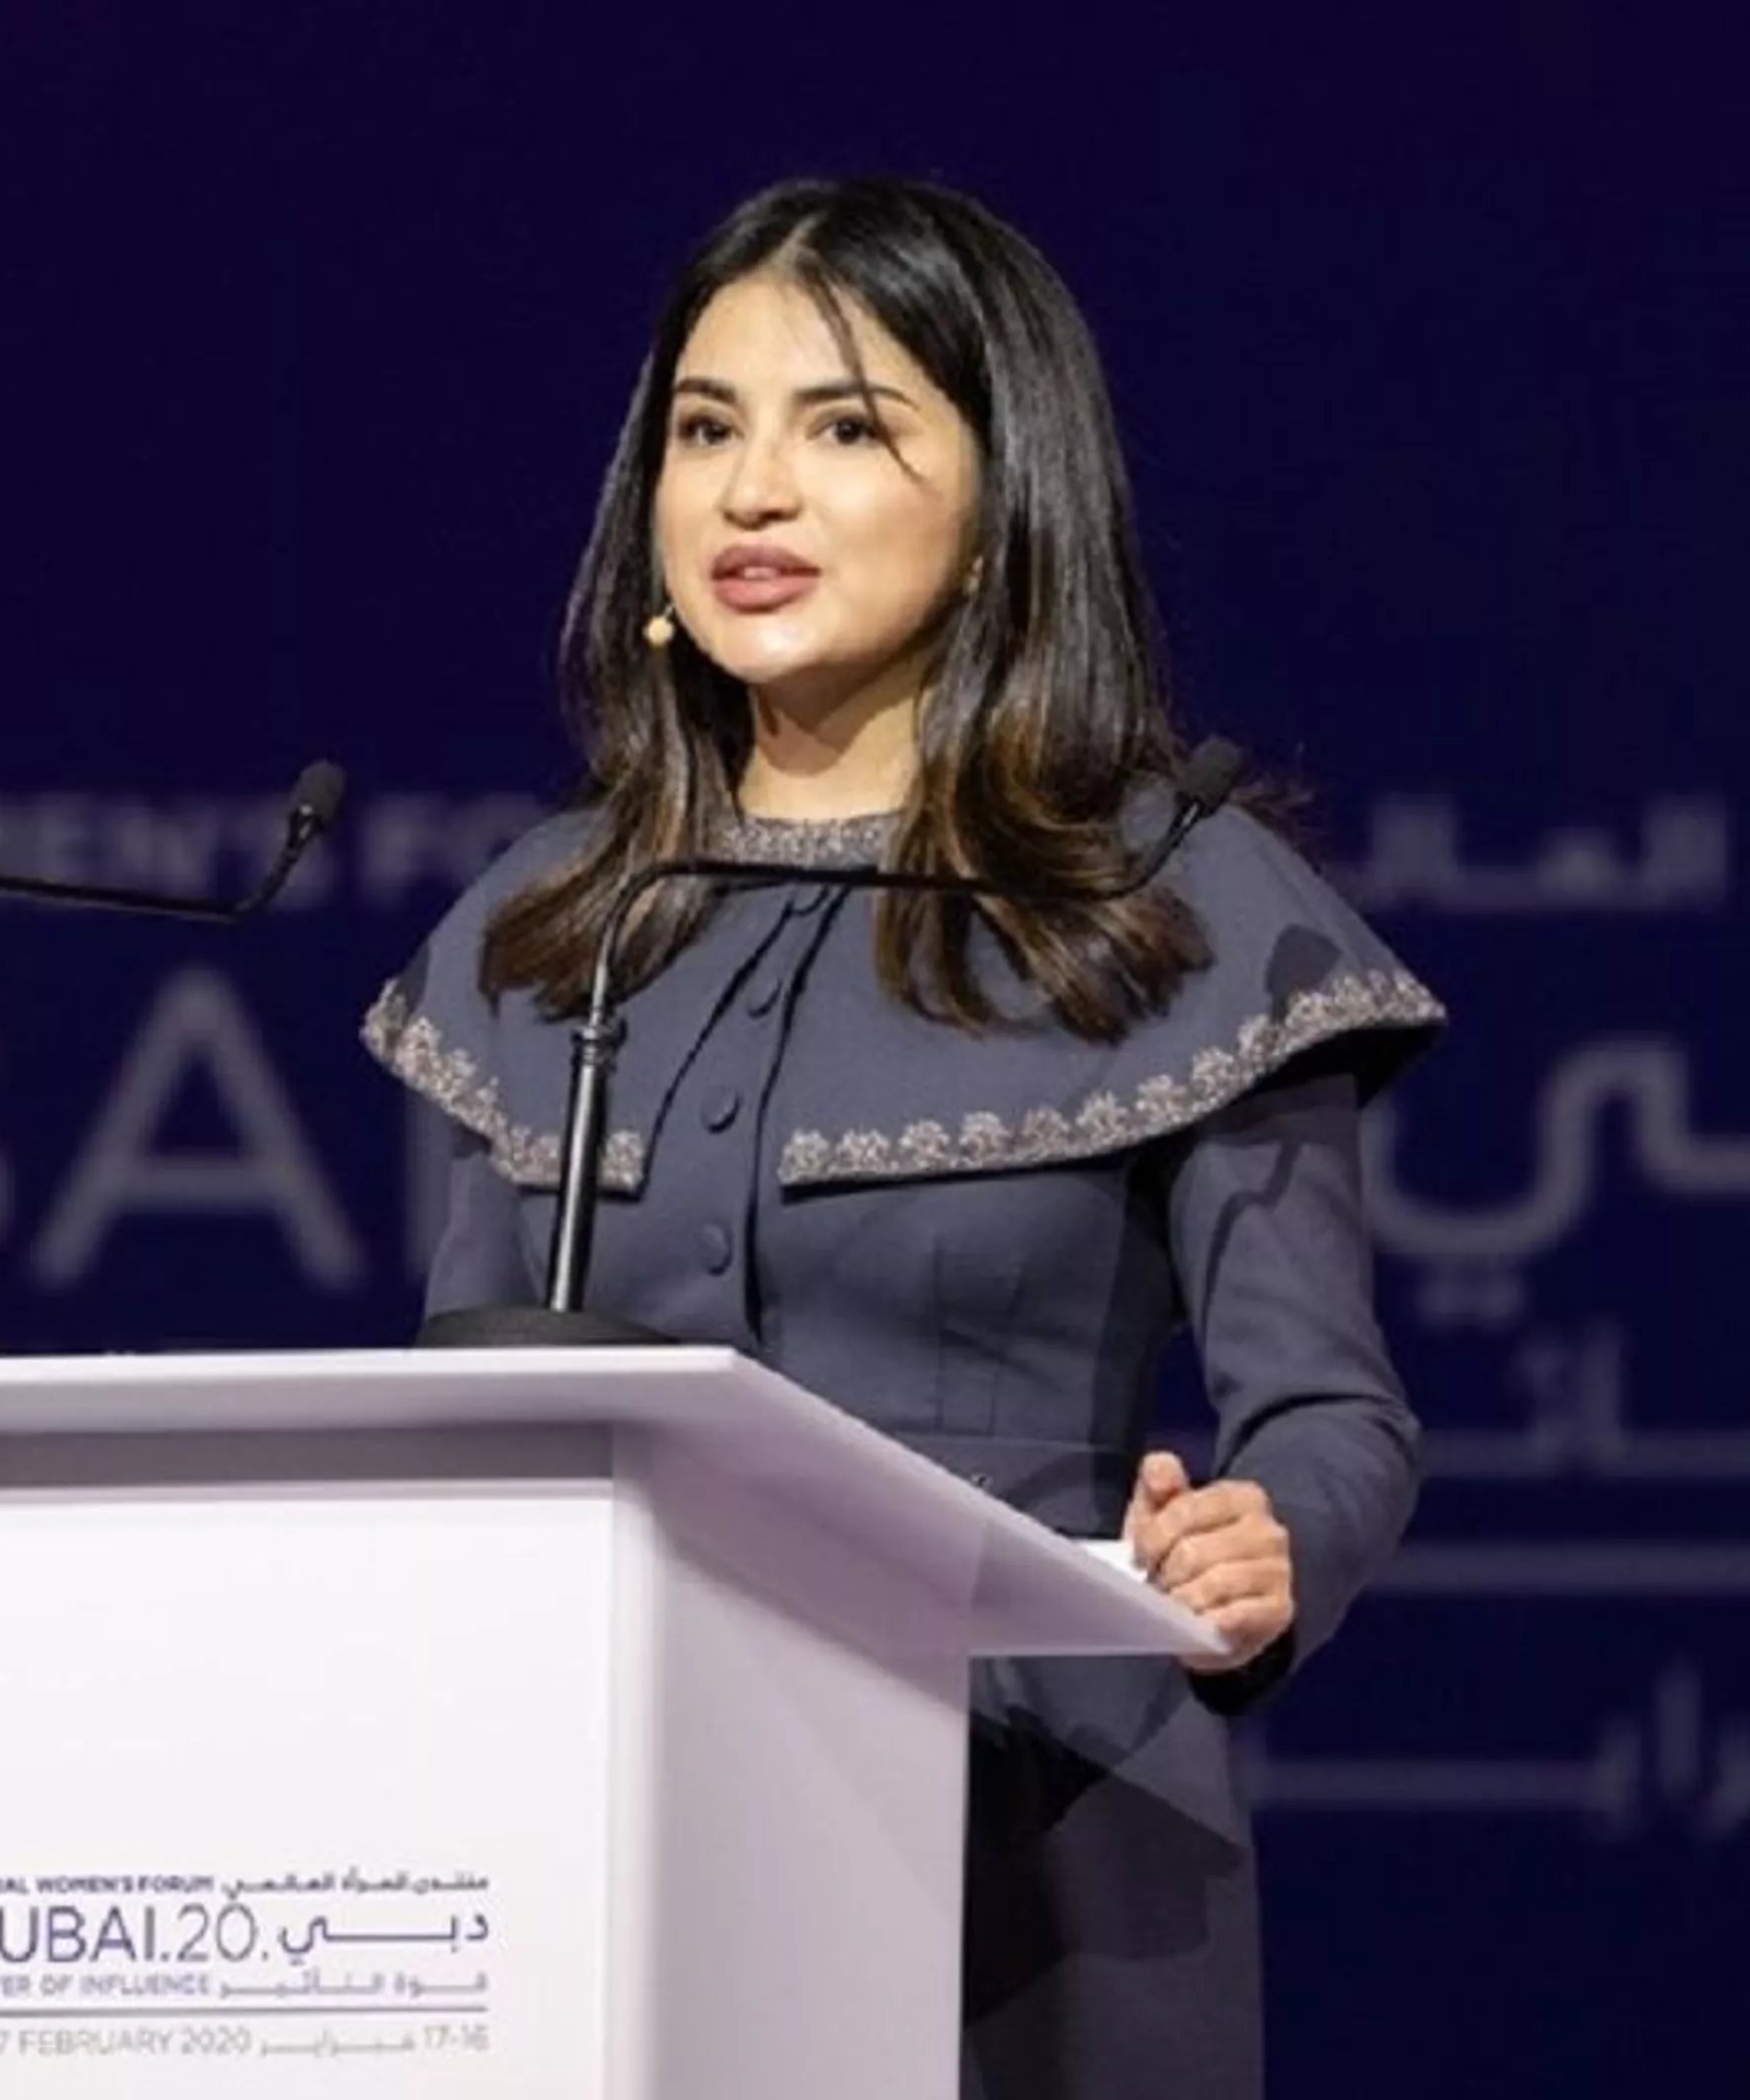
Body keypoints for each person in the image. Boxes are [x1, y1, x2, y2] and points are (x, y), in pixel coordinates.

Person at [365, 174, 1443, 2100]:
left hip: (1039, 1841)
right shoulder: (546, 922)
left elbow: (1331, 1415)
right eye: (708, 431)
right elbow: (472, 1428)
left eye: (845, 430)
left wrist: (1265, 1540)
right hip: (606, 1832)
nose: (752, 495)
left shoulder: (1178, 906)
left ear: (1002, 500)